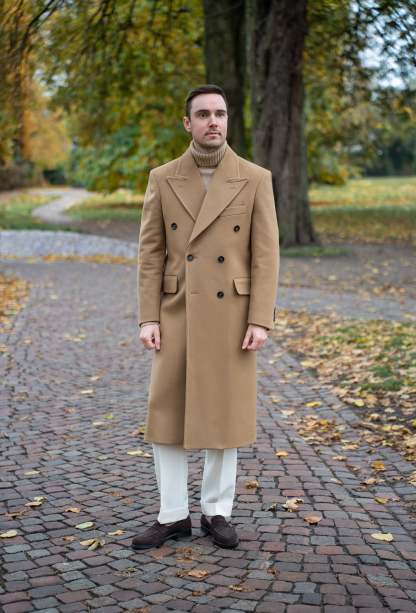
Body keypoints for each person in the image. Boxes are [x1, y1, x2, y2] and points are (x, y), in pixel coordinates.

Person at [132, 84, 279, 550]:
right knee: (165, 415)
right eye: (203, 114)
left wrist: (260, 318)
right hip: (176, 311)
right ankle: (172, 514)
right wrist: (148, 317)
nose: (213, 121)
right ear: (187, 123)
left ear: (227, 120)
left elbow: (266, 255)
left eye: (220, 113)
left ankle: (217, 512)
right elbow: (150, 254)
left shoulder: (255, 178)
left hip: (231, 314)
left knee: (223, 415)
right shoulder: (162, 177)